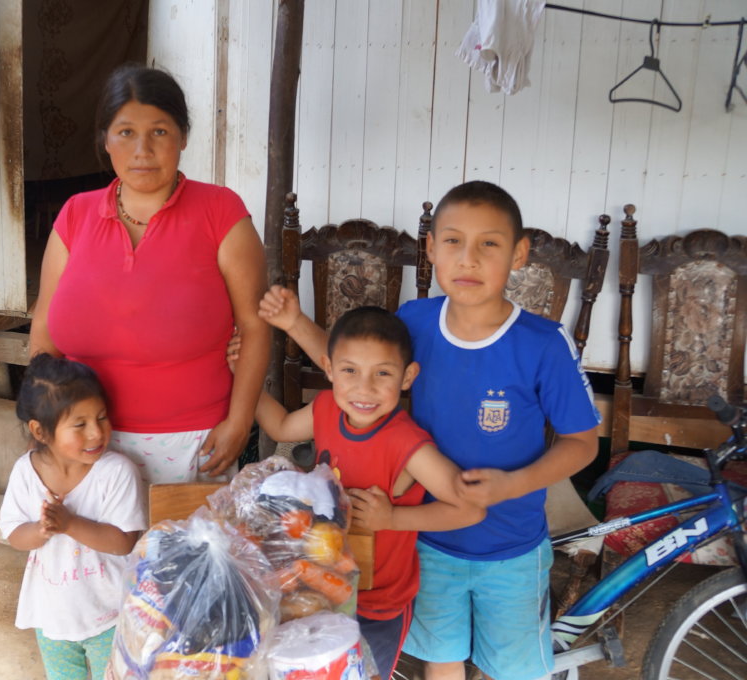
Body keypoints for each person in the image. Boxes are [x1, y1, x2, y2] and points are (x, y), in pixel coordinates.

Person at [254, 181, 600, 680]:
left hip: (511, 546)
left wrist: (512, 484)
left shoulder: (543, 344)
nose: (470, 259)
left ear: (519, 254)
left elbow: (582, 443)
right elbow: (357, 365)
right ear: (432, 249)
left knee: (515, 668)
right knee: (442, 656)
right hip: (427, 539)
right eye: (454, 242)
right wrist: (294, 322)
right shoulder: (416, 320)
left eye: (490, 244)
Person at [29, 64, 268, 484]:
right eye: (125, 132)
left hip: (192, 444)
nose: (142, 149)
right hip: (84, 444)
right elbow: (43, 331)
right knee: (95, 550)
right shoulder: (75, 215)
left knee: (185, 550)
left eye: (159, 131)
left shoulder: (220, 212)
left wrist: (239, 421)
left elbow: (254, 325)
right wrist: (49, 424)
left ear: (183, 137)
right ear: (105, 139)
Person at [251, 305, 485, 680]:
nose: (365, 388)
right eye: (349, 371)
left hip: (379, 603)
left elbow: (471, 509)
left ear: (407, 377)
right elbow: (279, 426)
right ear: (329, 369)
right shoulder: (326, 407)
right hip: (321, 589)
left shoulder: (406, 442)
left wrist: (394, 518)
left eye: (383, 374)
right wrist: (238, 377)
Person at [0, 354, 148, 680]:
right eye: (79, 425)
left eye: (102, 417)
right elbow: (13, 534)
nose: (96, 433)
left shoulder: (116, 472)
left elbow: (123, 542)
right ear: (40, 431)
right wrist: (41, 529)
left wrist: (69, 523)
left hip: (109, 613)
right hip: (53, 617)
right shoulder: (26, 472)